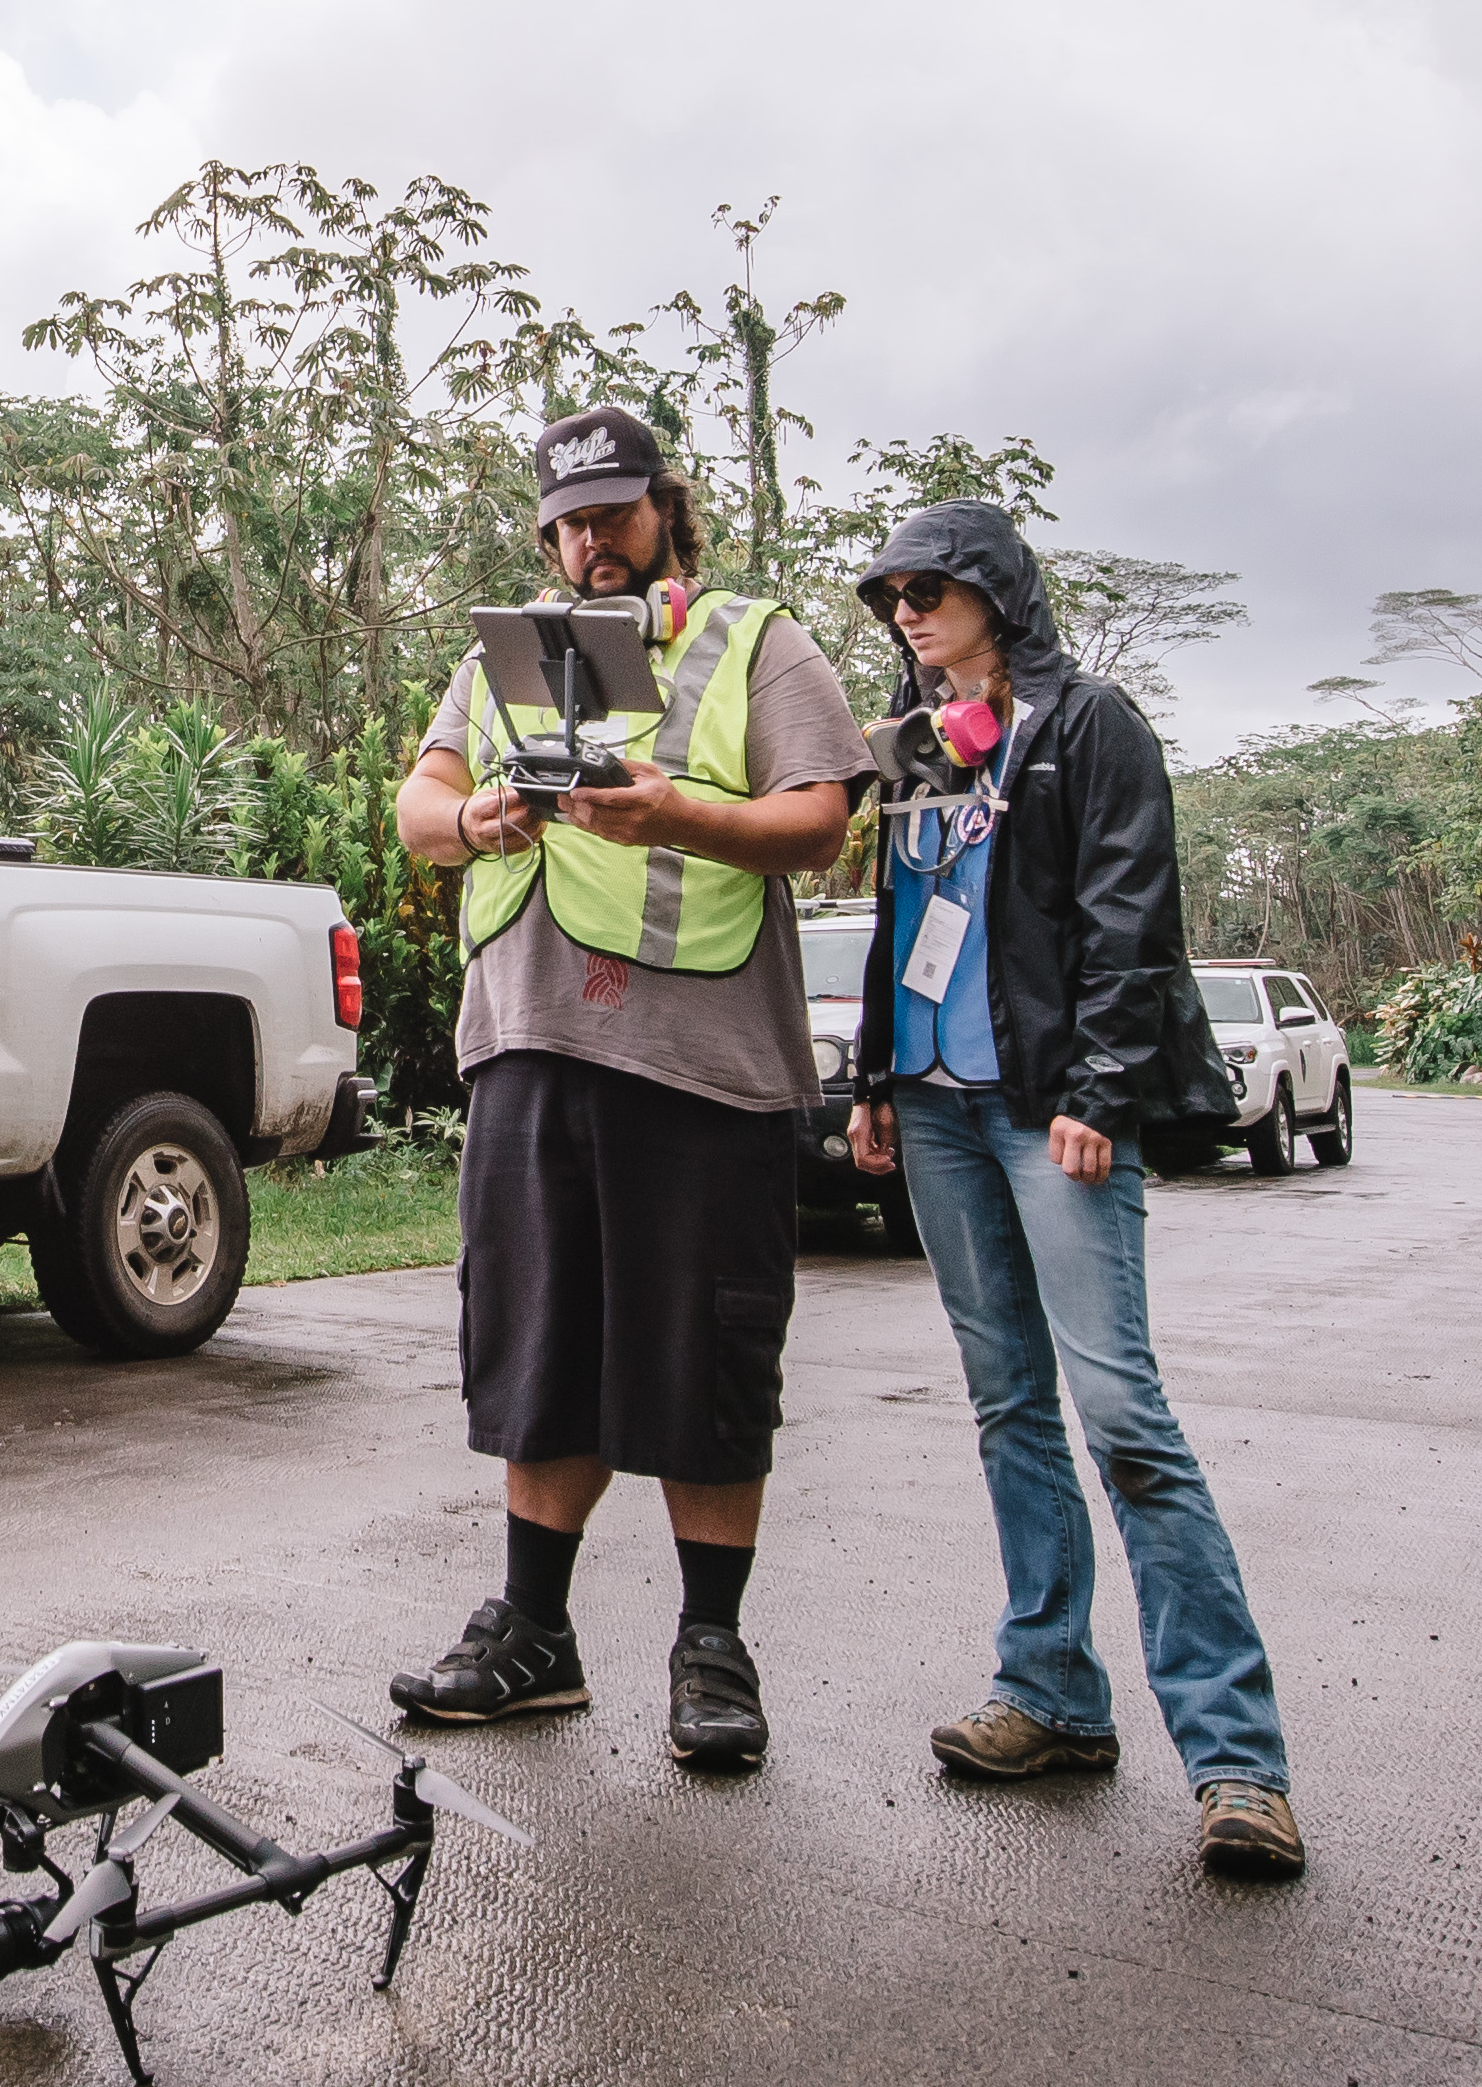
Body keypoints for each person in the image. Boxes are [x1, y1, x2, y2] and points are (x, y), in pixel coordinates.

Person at [388, 404, 874, 1772]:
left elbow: (823, 822)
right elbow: (420, 806)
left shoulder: (754, 641)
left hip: (701, 1068)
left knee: (702, 1353)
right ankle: (533, 1632)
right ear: (542, 529)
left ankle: (711, 1647)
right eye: (568, 520)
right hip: (531, 1043)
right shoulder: (497, 660)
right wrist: (475, 813)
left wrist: (678, 815)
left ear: (666, 506)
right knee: (539, 1350)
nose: (591, 539)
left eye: (615, 511)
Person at [841, 495, 1303, 1879]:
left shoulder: (1088, 720)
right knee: (1006, 1408)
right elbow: (902, 917)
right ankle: (1049, 1692)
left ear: (996, 588)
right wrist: (874, 1076)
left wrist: (1102, 1091)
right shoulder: (916, 746)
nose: (908, 613)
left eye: (930, 588)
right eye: (892, 598)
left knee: (1125, 1415)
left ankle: (1238, 1763)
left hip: (1050, 1111)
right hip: (931, 1106)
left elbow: (1125, 912)